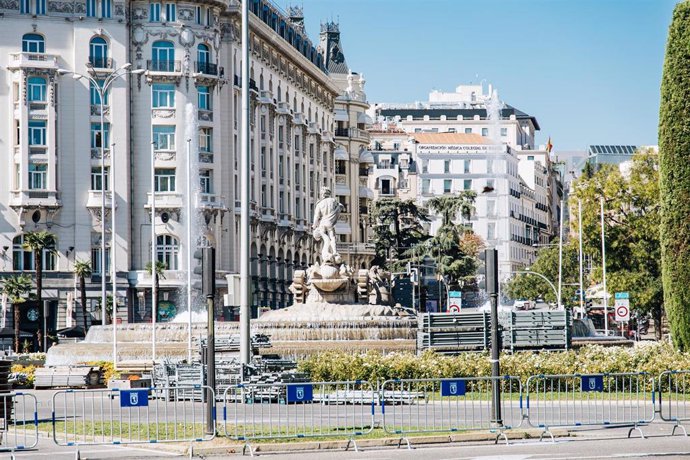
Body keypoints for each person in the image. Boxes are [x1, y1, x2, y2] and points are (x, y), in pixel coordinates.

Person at [312, 187, 343, 264]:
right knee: (332, 238)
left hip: (322, 223)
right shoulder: (333, 201)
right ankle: (335, 252)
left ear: (322, 194)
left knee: (326, 239)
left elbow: (316, 217)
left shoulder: (319, 204)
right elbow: (340, 207)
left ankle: (326, 254)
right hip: (330, 223)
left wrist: (314, 226)